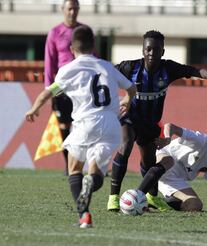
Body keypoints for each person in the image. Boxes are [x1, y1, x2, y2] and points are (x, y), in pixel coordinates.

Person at [107, 30, 207, 212]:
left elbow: (193, 70)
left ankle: (151, 197)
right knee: (126, 145)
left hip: (150, 124)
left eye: (156, 50)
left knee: (148, 161)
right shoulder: (130, 67)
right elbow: (106, 74)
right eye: (148, 49)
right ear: (142, 50)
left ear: (162, 52)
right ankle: (113, 197)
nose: (151, 53)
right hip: (130, 117)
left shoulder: (168, 69)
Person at [26, 25, 137, 228]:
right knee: (96, 173)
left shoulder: (68, 70)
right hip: (111, 125)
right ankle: (91, 183)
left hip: (86, 122)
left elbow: (47, 93)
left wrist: (34, 109)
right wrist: (126, 101)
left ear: (71, 48)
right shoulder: (106, 66)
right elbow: (131, 88)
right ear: (93, 46)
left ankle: (84, 216)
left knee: (74, 168)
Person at [136, 123, 207, 212]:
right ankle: (136, 196)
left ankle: (162, 203)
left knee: (195, 205)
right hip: (163, 157)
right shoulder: (200, 140)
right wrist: (168, 139)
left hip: (175, 179)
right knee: (169, 161)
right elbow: (170, 126)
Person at [44, 0, 89, 175]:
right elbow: (50, 62)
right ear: (62, 9)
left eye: (75, 9)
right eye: (70, 8)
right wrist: (49, 90)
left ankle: (88, 164)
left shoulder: (84, 31)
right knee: (64, 126)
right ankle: (69, 165)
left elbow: (94, 56)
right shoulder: (55, 33)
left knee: (84, 125)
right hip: (62, 88)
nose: (72, 12)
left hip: (83, 87)